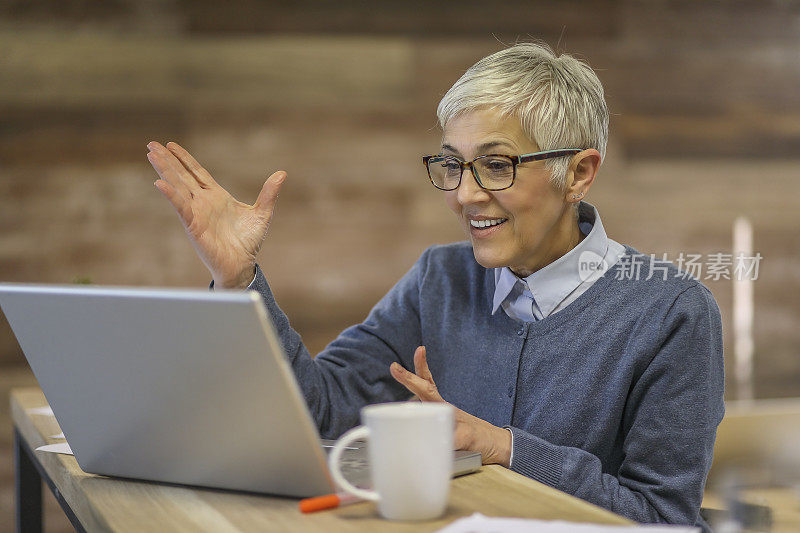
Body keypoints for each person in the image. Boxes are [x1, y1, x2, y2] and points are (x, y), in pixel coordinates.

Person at [146, 42, 724, 530]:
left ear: (578, 173)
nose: (465, 195)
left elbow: (663, 519)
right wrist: (238, 278)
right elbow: (319, 413)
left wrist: (503, 447)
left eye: (497, 165)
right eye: (452, 165)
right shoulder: (440, 280)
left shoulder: (671, 312)